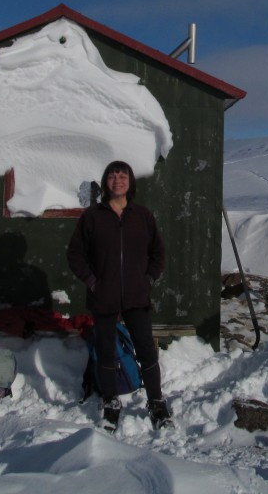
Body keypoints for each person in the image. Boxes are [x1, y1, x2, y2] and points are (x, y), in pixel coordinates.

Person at [67, 160, 172, 431]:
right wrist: (92, 281)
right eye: (112, 176)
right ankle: (111, 402)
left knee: (146, 350)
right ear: (105, 183)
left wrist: (148, 279)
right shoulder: (92, 217)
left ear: (130, 182)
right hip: (103, 296)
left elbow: (158, 253)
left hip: (137, 296)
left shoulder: (142, 216)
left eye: (123, 175)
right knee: (105, 351)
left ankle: (156, 402)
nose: (118, 180)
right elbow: (75, 254)